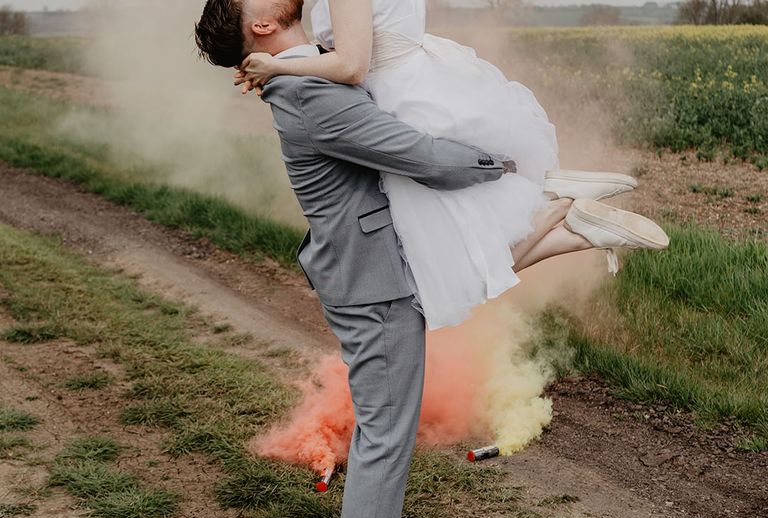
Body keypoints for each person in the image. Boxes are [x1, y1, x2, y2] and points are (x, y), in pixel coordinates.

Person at [196, 0, 521, 518]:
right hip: (373, 288)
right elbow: (417, 154)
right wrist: (503, 167)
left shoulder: (302, 68)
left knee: (382, 428)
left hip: (366, 272)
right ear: (260, 26)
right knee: (386, 431)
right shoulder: (305, 88)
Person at [233, 0, 670, 330]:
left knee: (446, 269)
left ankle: (565, 210)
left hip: (400, 101)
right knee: (459, 258)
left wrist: (277, 65)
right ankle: (571, 218)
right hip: (419, 86)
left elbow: (351, 65)